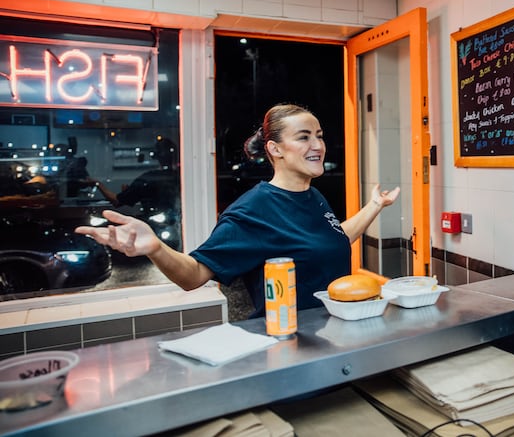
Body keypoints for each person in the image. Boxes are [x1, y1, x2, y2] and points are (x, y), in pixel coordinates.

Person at [76, 104, 399, 317]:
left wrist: (374, 205)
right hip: (291, 345)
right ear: (275, 149)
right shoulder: (252, 211)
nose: (317, 145)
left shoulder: (313, 197)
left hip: (335, 335)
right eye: (304, 137)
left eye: (319, 136)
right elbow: (194, 275)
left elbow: (334, 238)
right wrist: (157, 248)